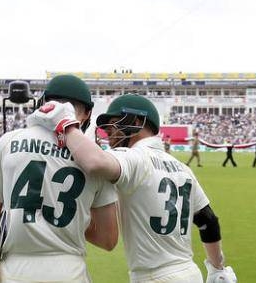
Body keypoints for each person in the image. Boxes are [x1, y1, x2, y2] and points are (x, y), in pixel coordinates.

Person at [56, 94, 237, 283]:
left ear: (136, 121)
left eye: (114, 124)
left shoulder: (134, 157)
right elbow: (208, 221)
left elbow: (94, 162)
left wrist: (65, 126)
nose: (108, 133)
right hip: (190, 272)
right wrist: (217, 269)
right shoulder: (183, 169)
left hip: (154, 277)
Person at [0, 75, 119, 282]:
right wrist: (75, 220)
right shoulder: (98, 157)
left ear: (43, 103)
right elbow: (107, 239)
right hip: (69, 270)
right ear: (87, 113)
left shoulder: (9, 141)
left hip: (15, 271)